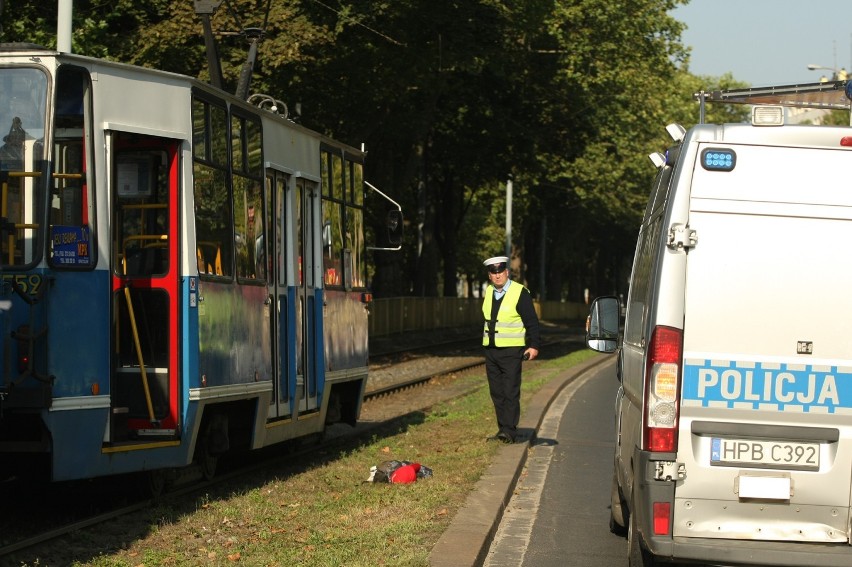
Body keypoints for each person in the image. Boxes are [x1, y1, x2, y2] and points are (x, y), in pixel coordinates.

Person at [481, 255, 541, 443]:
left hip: (512, 351)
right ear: (490, 275)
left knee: (510, 391)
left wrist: (534, 345)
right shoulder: (489, 291)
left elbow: (532, 321)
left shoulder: (519, 292)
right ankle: (502, 429)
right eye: (493, 272)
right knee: (497, 392)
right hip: (491, 351)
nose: (497, 276)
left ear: (507, 272)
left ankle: (510, 430)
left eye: (500, 272)